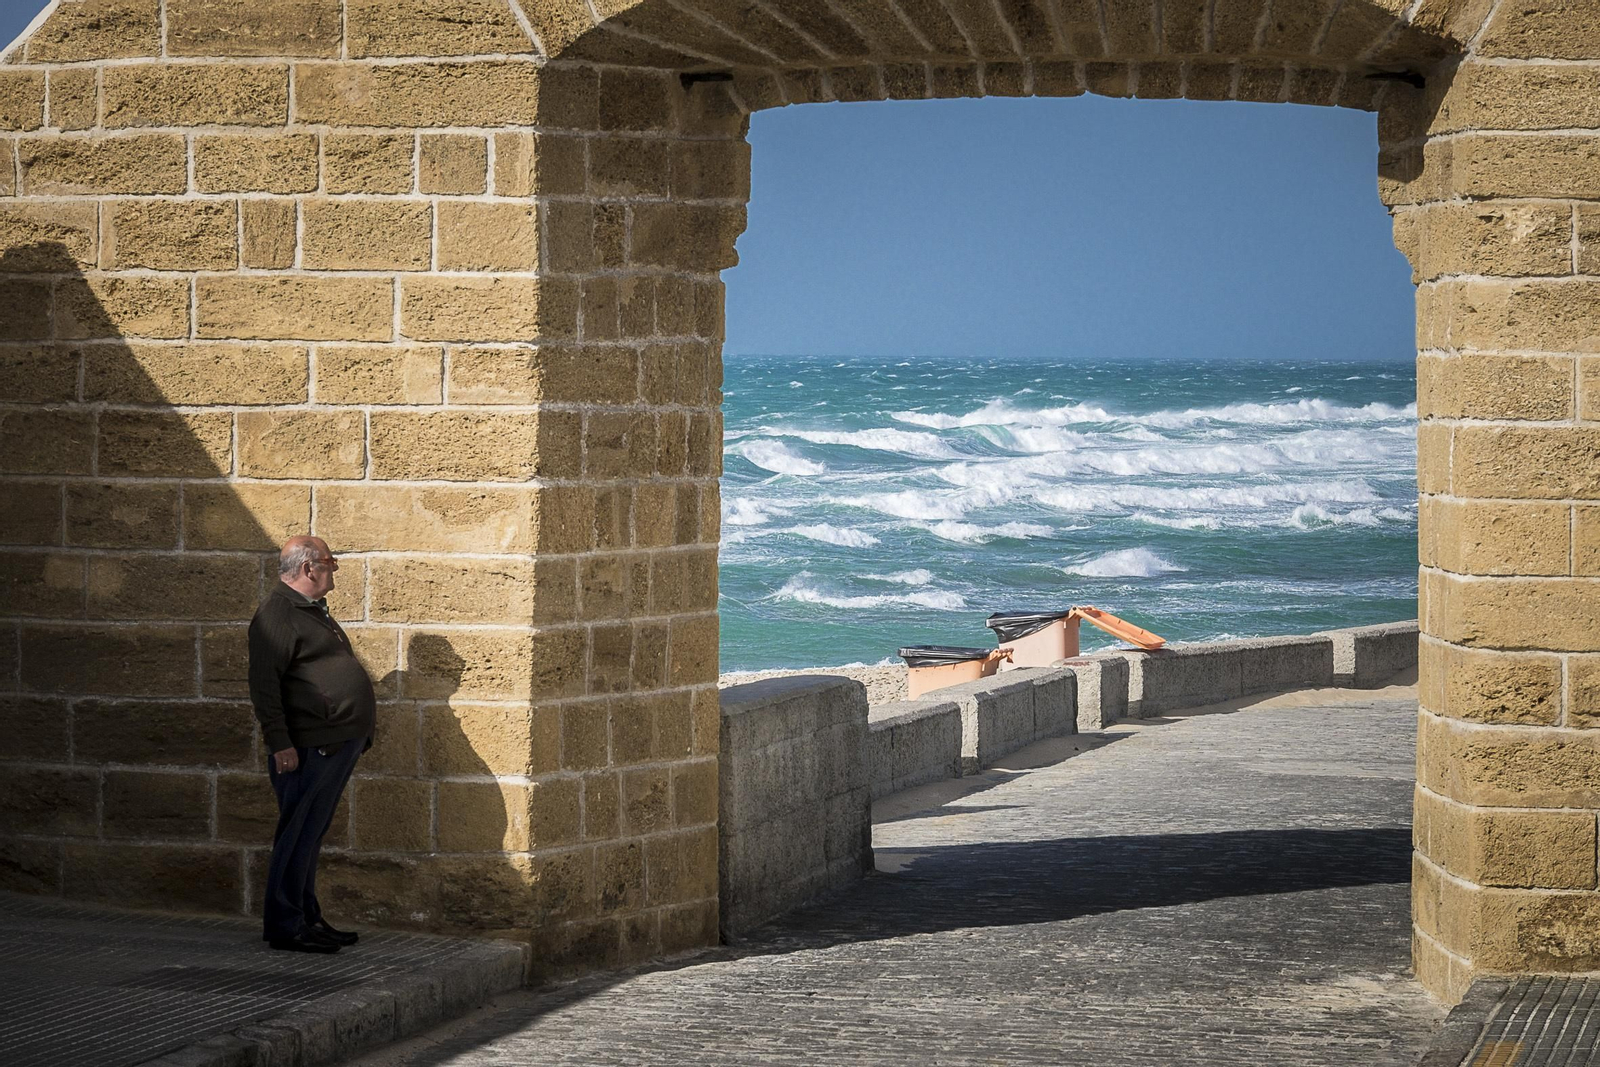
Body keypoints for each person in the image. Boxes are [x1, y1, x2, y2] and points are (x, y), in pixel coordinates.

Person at [248, 535, 375, 954]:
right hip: (308, 747)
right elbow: (265, 685)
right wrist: (279, 742)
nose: (334, 567)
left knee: (311, 834)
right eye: (329, 561)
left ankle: (307, 917)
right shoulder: (278, 614)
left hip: (336, 740)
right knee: (297, 834)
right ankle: (286, 926)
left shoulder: (310, 610)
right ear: (308, 568)